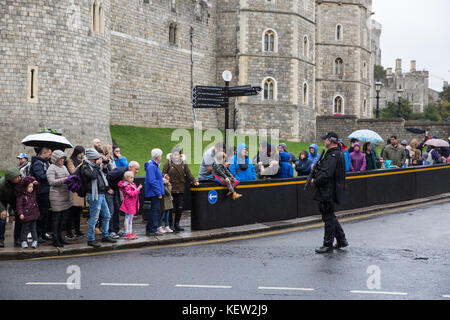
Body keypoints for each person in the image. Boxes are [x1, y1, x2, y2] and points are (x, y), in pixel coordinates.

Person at [311, 132, 348, 254]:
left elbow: (327, 174)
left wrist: (315, 181)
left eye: (325, 139)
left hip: (328, 191)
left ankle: (327, 244)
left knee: (328, 218)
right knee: (330, 216)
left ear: (330, 141)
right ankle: (341, 240)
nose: (324, 141)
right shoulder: (336, 153)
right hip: (330, 190)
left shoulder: (333, 154)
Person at [81, 148, 116, 247]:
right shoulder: (85, 166)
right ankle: (90, 239)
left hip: (101, 193)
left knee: (106, 215)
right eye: (96, 158)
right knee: (94, 218)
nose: (98, 159)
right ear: (92, 158)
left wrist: (104, 166)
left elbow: (104, 174)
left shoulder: (94, 166)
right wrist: (97, 165)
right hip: (93, 195)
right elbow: (92, 176)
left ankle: (105, 235)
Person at [162, 145, 198, 231]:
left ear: (180, 155)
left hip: (181, 188)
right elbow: (162, 173)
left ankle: (177, 224)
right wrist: (166, 176)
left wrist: (194, 181)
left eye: (177, 154)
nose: (176, 156)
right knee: (171, 208)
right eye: (174, 154)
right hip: (170, 189)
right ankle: (170, 224)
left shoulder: (183, 163)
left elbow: (188, 172)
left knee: (180, 207)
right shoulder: (168, 162)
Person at [107, 161, 140, 237]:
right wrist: (108, 188)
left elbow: (122, 184)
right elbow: (108, 176)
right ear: (130, 167)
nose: (137, 171)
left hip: (115, 191)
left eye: (138, 169)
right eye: (136, 169)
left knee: (116, 209)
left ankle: (117, 229)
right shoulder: (120, 171)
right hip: (109, 191)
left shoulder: (128, 176)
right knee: (111, 211)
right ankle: (111, 231)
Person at [47, 150, 73, 247]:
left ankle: (60, 237)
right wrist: (65, 180)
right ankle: (55, 239)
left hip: (65, 195)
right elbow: (51, 182)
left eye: (63, 158)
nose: (62, 160)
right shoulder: (51, 168)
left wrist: (72, 179)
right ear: (55, 159)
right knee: (56, 219)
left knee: (63, 219)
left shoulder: (64, 167)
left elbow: (68, 177)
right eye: (60, 158)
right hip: (56, 196)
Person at [30, 147, 52, 243]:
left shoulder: (45, 162)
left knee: (46, 214)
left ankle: (43, 233)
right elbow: (41, 176)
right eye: (49, 154)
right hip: (41, 192)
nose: (50, 156)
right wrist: (50, 174)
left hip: (46, 191)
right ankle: (38, 235)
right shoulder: (37, 163)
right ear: (44, 153)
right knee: (41, 214)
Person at [66, 146, 86, 239]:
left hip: (81, 187)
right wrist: (81, 164)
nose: (82, 154)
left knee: (78, 211)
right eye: (81, 152)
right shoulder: (70, 160)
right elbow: (73, 172)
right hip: (73, 188)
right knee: (72, 211)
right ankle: (69, 231)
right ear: (77, 152)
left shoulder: (81, 161)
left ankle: (77, 230)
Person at [16, 176, 40, 249]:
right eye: (29, 187)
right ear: (25, 187)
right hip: (26, 216)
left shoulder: (33, 193)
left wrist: (36, 184)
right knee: (25, 230)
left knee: (33, 229)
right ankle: (23, 241)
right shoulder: (22, 196)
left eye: (32, 187)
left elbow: (38, 189)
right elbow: (19, 206)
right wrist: (21, 213)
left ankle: (35, 240)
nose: (31, 188)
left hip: (34, 215)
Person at [145, 148, 165, 236]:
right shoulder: (152, 166)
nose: (161, 157)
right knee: (155, 211)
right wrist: (159, 193)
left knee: (154, 210)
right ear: (157, 157)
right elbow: (152, 181)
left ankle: (150, 228)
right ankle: (153, 229)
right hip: (154, 192)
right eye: (161, 156)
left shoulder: (153, 165)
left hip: (154, 192)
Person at [0, 168, 22, 248]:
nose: (19, 178)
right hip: (2, 199)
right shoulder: (2, 183)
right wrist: (2, 209)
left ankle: (17, 238)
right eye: (17, 177)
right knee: (2, 220)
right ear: (10, 178)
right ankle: (1, 239)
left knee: (19, 217)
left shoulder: (21, 179)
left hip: (15, 199)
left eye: (19, 176)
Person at [118, 171, 142, 239]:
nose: (132, 179)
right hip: (129, 203)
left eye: (133, 177)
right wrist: (138, 188)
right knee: (128, 218)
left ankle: (130, 232)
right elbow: (131, 194)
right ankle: (127, 233)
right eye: (130, 178)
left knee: (130, 219)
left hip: (132, 203)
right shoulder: (126, 186)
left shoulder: (131, 184)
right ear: (126, 178)